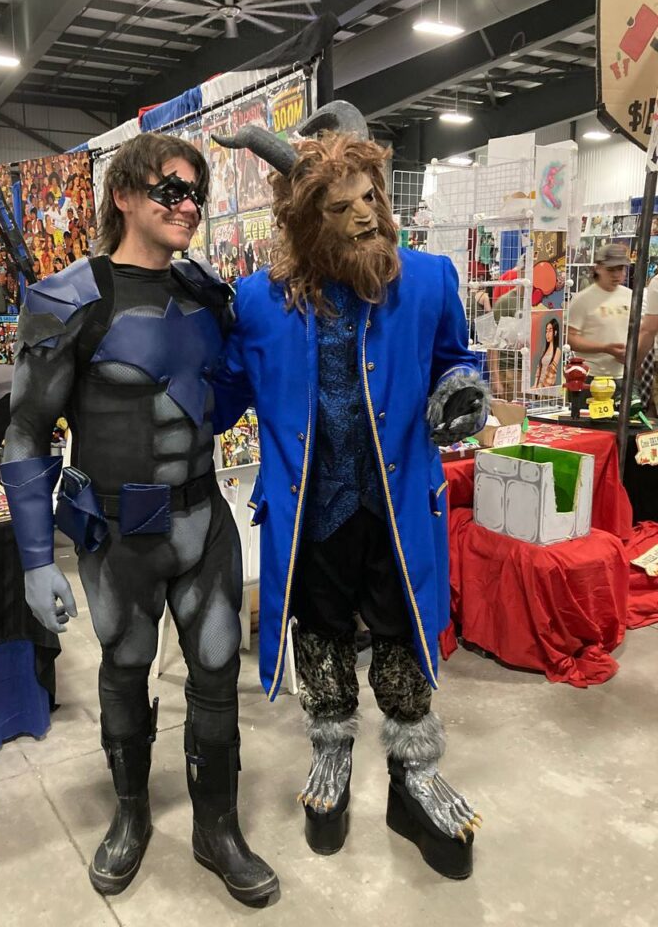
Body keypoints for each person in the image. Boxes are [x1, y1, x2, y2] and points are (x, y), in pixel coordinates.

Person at [212, 102, 489, 881]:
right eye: (342, 208)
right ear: (307, 221)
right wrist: (172, 340)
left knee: (404, 631)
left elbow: (456, 360)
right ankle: (331, 752)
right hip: (312, 510)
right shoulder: (258, 300)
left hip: (399, 509)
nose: (367, 216)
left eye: (370, 197)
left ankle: (415, 771)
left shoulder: (428, 278)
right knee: (322, 630)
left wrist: (463, 391)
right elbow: (220, 394)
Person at [0, 133, 278, 905]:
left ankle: (217, 829)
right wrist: (35, 560)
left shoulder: (208, 294)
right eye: (169, 190)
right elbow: (25, 434)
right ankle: (130, 815)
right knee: (124, 670)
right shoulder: (67, 301)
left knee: (217, 671)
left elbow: (237, 387)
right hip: (120, 534)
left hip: (202, 520)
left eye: (196, 194)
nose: (188, 205)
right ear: (123, 194)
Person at [567, 242, 631, 380]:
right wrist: (605, 348)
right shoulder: (582, 299)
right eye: (611, 269)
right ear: (598, 268)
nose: (616, 274)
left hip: (625, 375)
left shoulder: (631, 296)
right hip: (591, 375)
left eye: (620, 269)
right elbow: (570, 338)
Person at [533, 316, 562, 388]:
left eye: (550, 331)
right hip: (538, 385)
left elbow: (551, 373)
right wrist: (535, 384)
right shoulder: (544, 349)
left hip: (546, 386)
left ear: (555, 332)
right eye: (546, 331)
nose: (547, 334)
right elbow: (539, 368)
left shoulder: (557, 351)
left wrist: (541, 386)